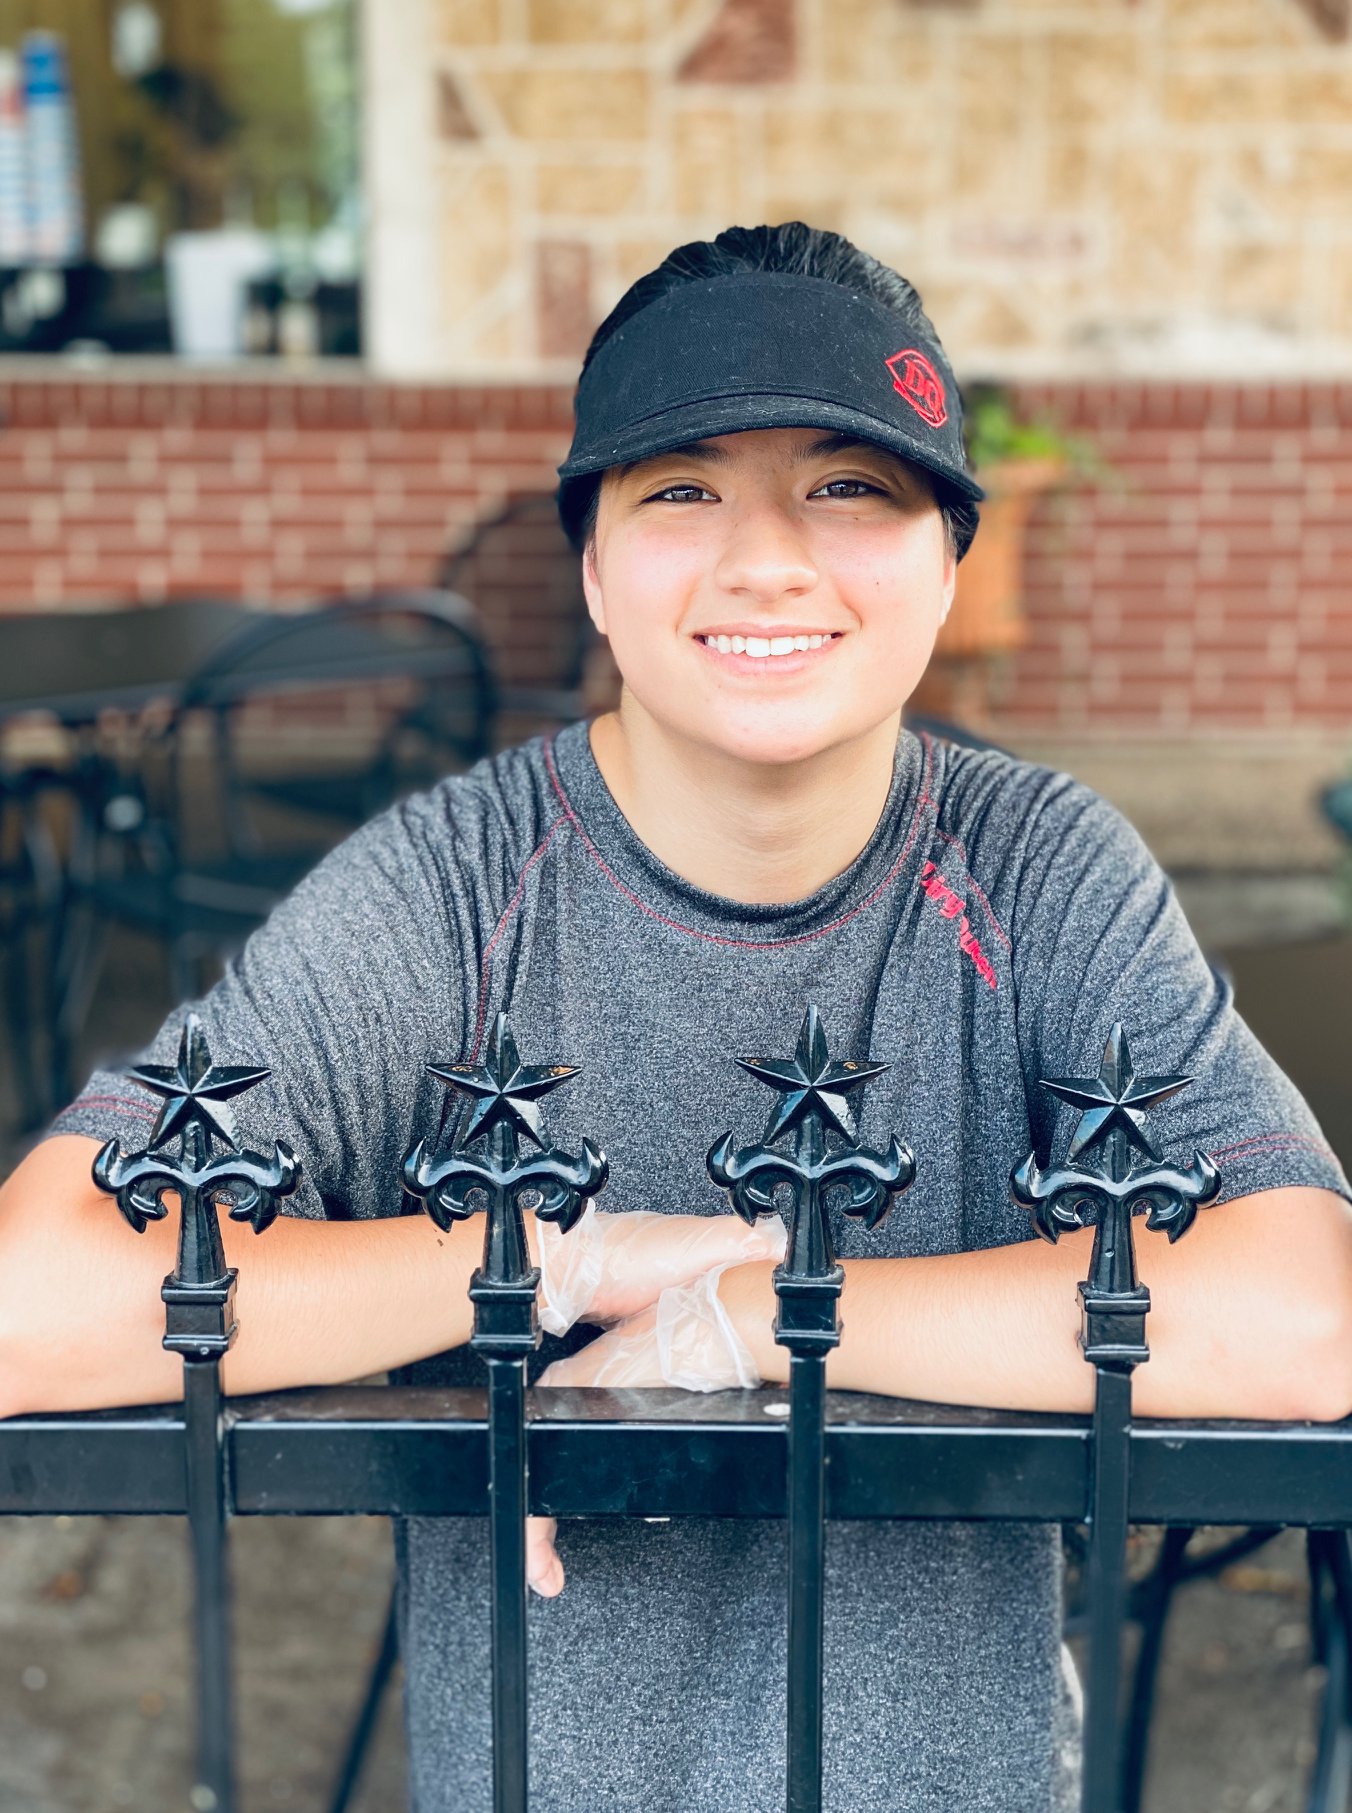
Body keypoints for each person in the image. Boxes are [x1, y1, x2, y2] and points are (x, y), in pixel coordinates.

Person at [4, 222, 1351, 1813]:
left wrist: (763, 1309)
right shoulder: (451, 890)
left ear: (949, 563)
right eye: (682, 488)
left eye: (849, 484)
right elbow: (33, 1297)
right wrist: (548, 1261)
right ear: (592, 563)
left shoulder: (1037, 867)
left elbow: (1307, 1313)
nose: (766, 558)